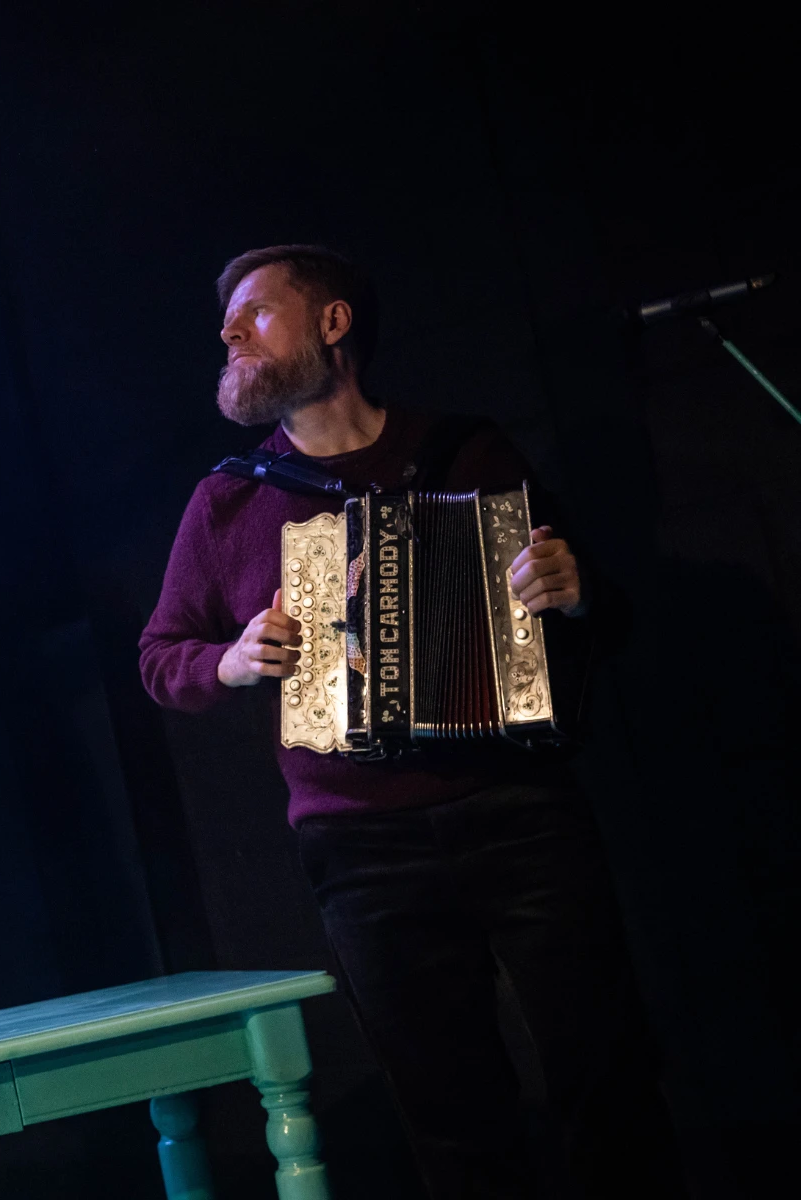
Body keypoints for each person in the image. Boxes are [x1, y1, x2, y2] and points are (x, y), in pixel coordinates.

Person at [138, 245, 679, 1197]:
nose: (227, 334)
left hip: (516, 806)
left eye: (256, 314)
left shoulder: (465, 453)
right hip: (359, 842)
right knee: (449, 1109)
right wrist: (226, 661)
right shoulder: (231, 498)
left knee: (606, 1073)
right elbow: (160, 657)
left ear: (334, 324)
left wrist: (579, 589)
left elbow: (602, 620)